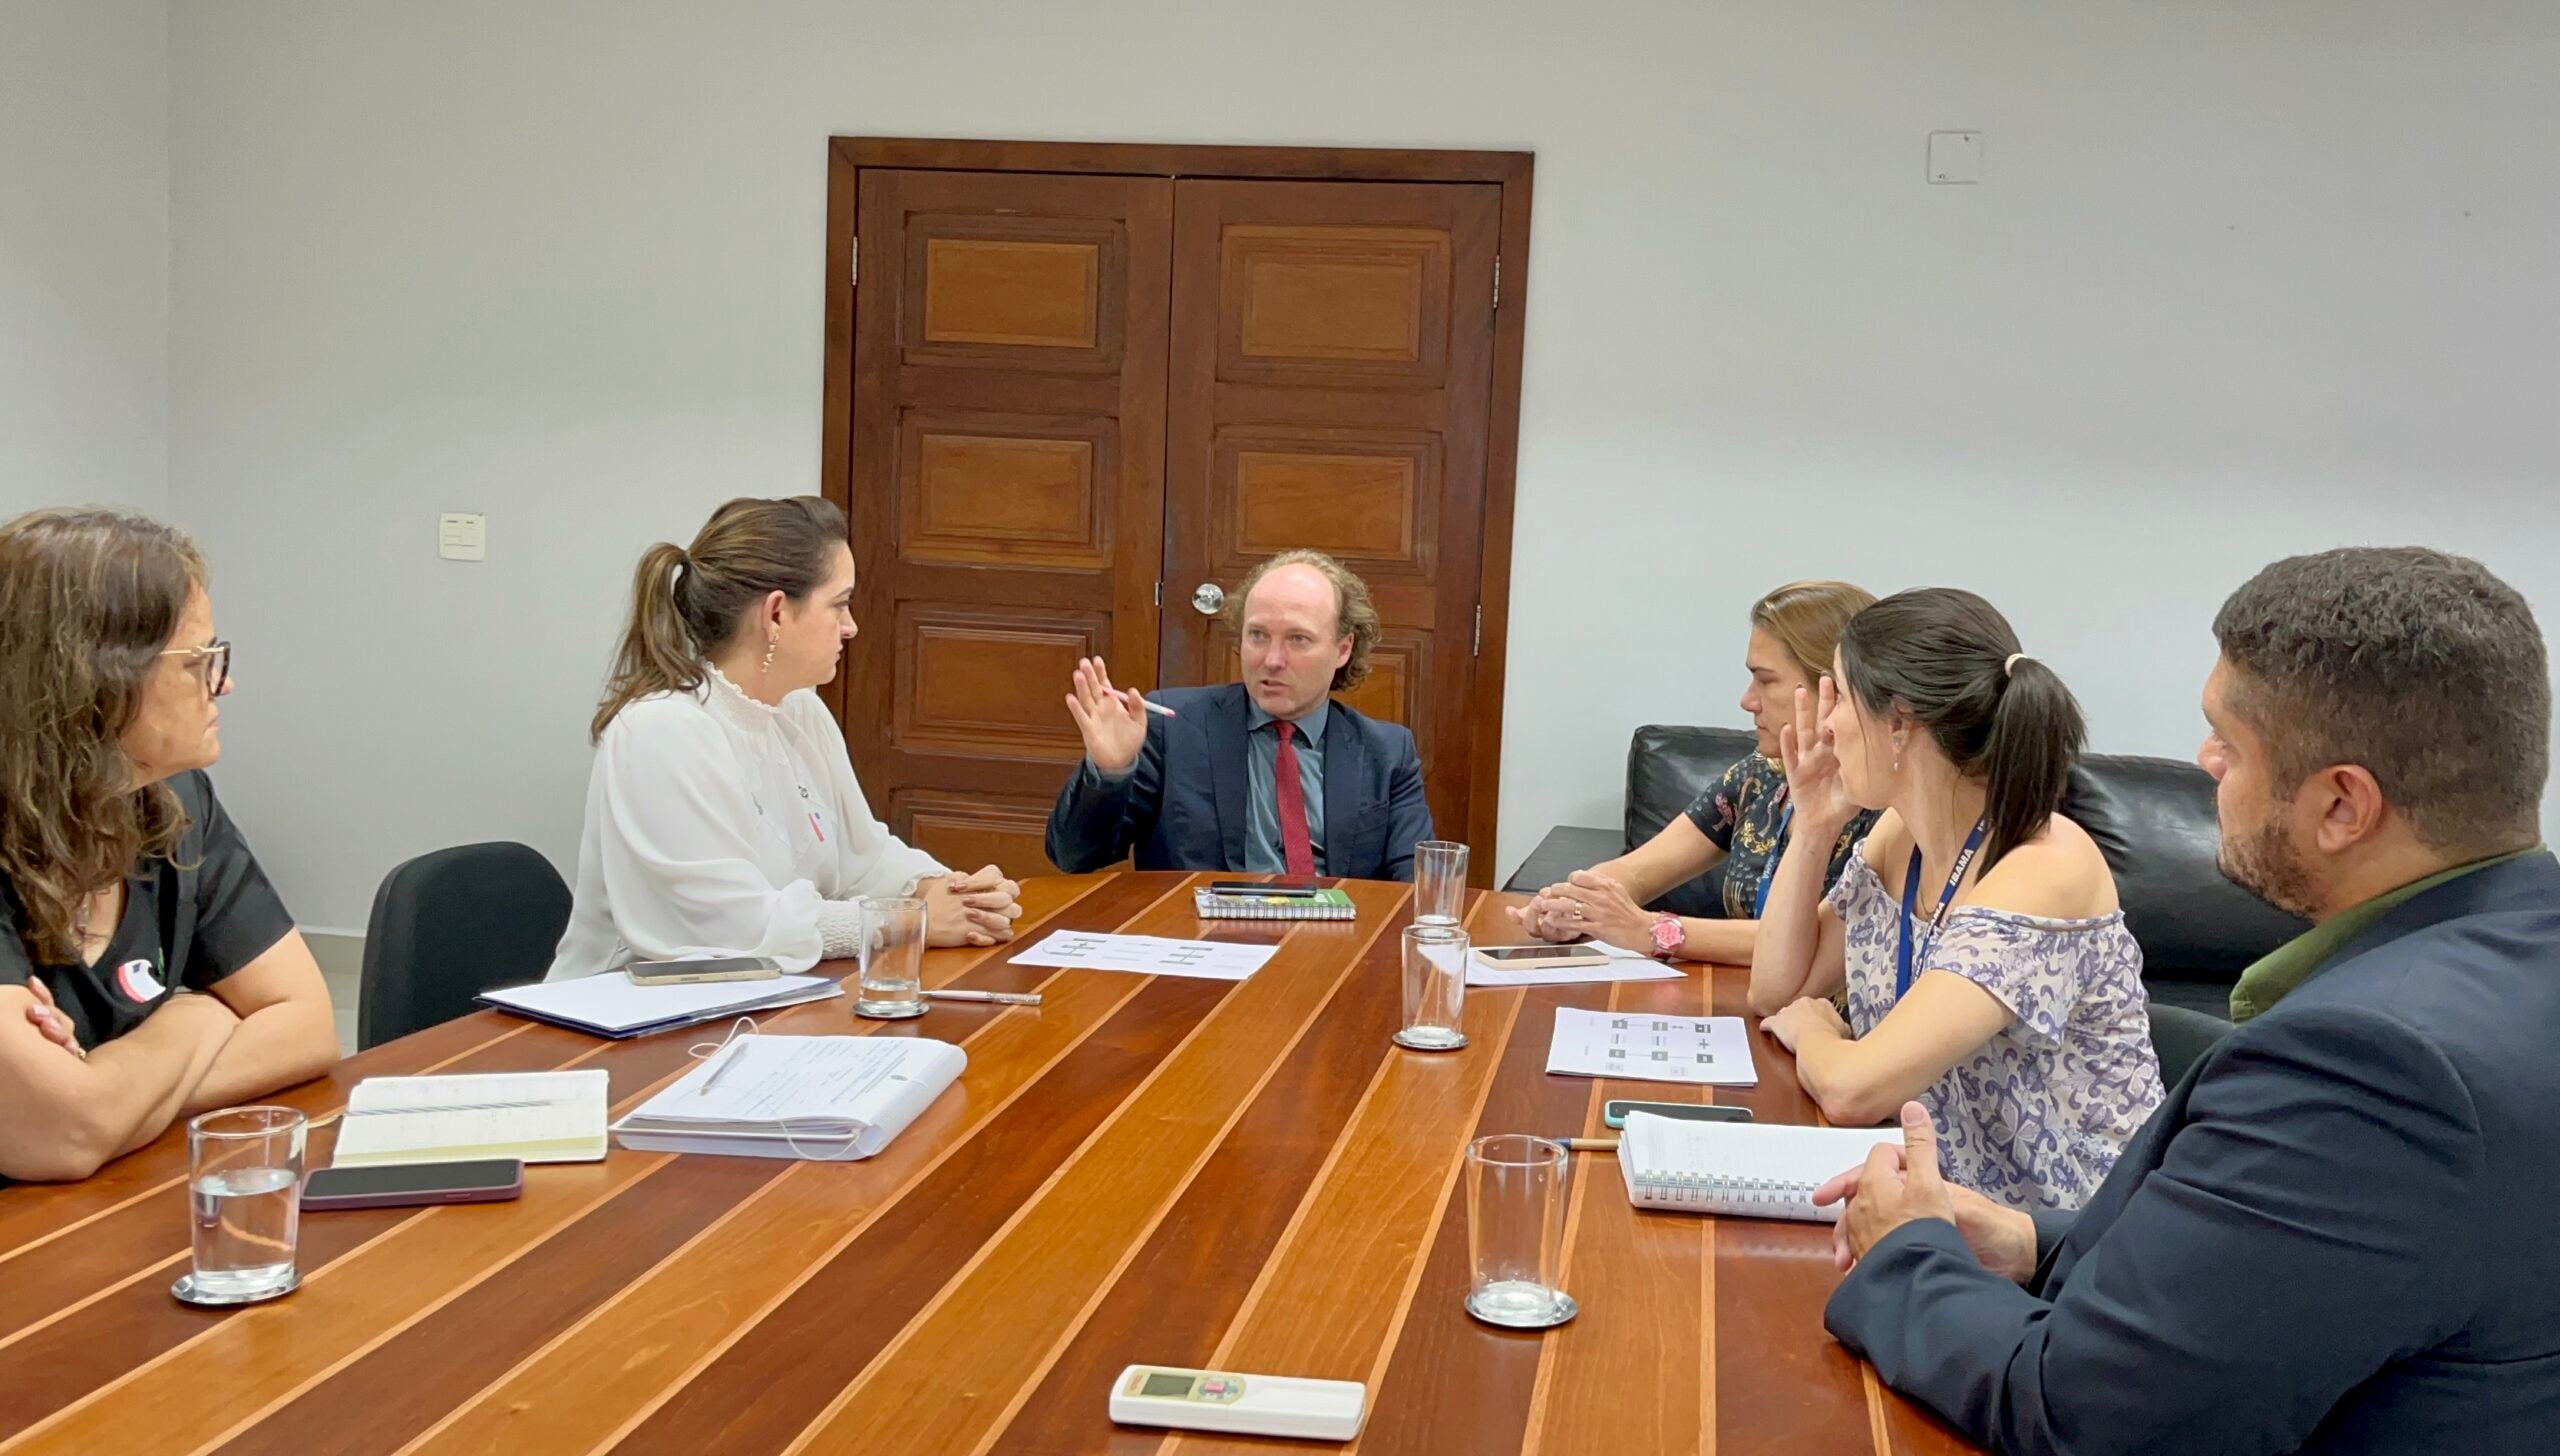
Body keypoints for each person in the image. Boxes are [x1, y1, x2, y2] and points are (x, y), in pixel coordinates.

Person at [1821, 548, 2560, 1454]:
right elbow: (2288, 1277)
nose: (2204, 762)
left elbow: (2086, 1415)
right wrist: (2025, 1241)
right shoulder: (2511, 969)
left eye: (2229, 741)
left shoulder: (2368, 1063)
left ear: (2342, 806)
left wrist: (1905, 1251)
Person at [1752, 589, 2161, 1210]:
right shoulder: (1900, 837)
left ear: (1899, 724)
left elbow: (1854, 1090)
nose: (1826, 724)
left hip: (2074, 1239)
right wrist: (1813, 825)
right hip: (1951, 1210)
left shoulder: (2046, 866)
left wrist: (1814, 1034)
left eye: (1839, 695)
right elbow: (1778, 991)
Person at [548, 496, 1023, 979]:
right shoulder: (659, 731)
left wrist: (953, 893)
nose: (851, 626)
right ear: (776, 613)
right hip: (622, 1023)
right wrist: (903, 923)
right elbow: (727, 931)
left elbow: (864, 859)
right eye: (839, 605)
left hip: (759, 1003)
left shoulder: (799, 709)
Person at [0, 509, 339, 1183]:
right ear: (94, 679)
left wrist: (108, 1088)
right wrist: (197, 1015)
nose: (225, 684)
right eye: (200, 661)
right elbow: (60, 1134)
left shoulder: (176, 802)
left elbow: (308, 1026)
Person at [1509, 580, 1881, 961]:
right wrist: (1571, 905)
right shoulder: (1760, 775)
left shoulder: (1883, 803)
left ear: (1834, 688)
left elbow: (1817, 944)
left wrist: (1652, 931)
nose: (1747, 700)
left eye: (1766, 680)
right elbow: (1637, 872)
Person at [1045, 550, 1432, 881]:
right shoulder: (1173, 727)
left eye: (1298, 639)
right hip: (1203, 945)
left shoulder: (1386, 751)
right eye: (1258, 635)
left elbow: (1414, 889)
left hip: (1333, 949)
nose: (1272, 660)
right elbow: (1075, 858)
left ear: (1343, 649)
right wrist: (1110, 772)